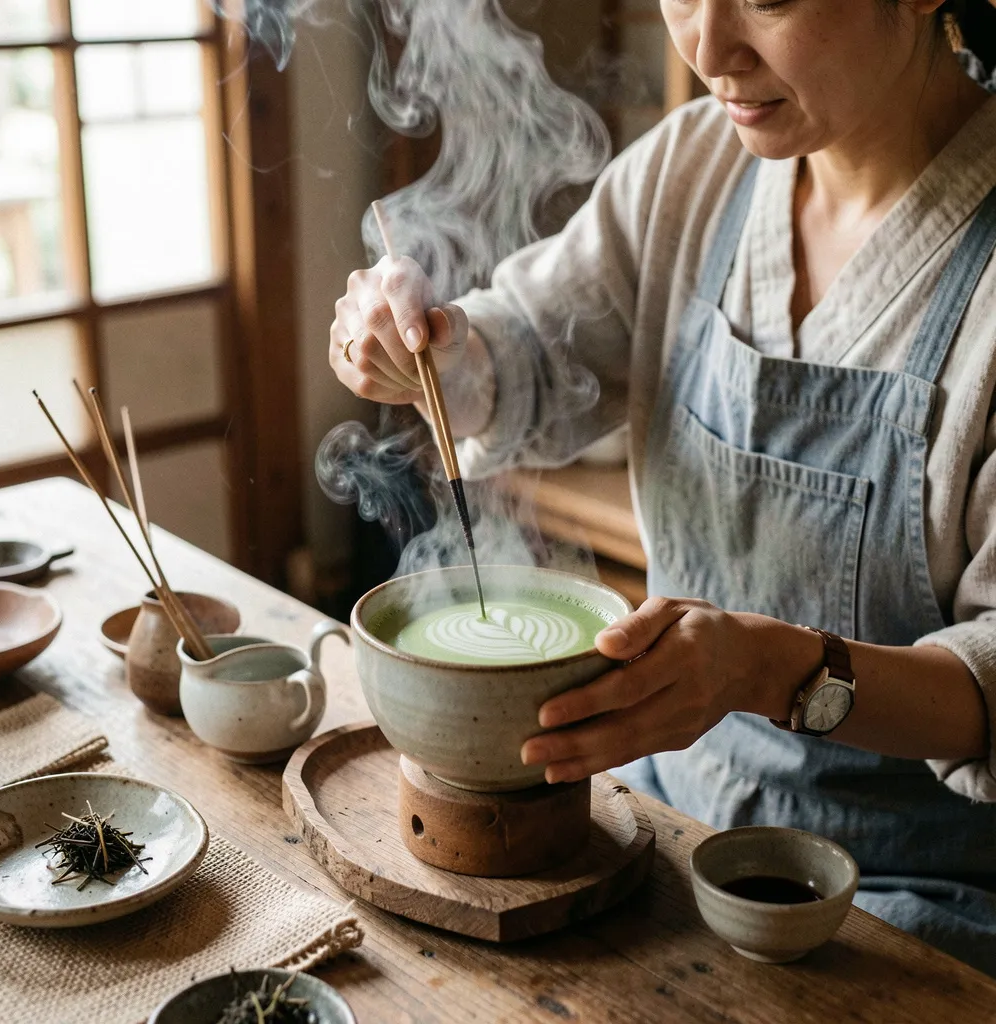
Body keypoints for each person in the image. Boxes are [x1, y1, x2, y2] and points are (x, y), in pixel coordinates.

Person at [329, 0, 996, 974]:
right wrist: (435, 351)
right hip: (666, 819)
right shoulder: (695, 166)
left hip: (909, 900)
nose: (708, 49)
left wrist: (768, 671)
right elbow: (535, 348)